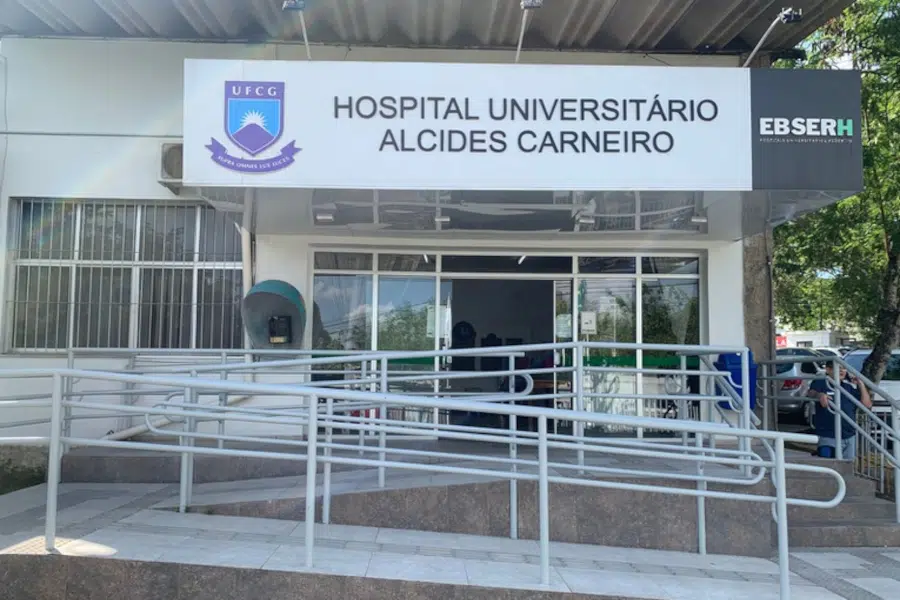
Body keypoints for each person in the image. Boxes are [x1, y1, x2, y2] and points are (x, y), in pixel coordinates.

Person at [807, 362, 872, 459]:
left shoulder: (848, 387)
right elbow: (811, 392)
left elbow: (867, 404)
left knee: (847, 466)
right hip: (829, 435)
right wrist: (819, 395)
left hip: (849, 435)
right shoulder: (821, 382)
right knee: (829, 463)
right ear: (828, 370)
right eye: (838, 368)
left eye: (844, 368)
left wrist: (861, 384)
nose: (841, 370)